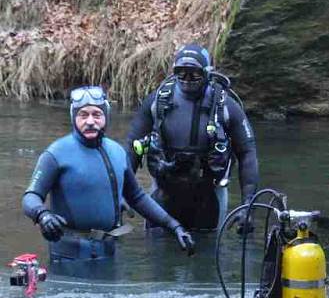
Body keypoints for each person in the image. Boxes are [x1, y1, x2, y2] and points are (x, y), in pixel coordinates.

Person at [22, 86, 195, 260]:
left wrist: (174, 226)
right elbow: (30, 197)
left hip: (108, 252)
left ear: (106, 116)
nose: (90, 121)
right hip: (68, 255)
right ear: (73, 117)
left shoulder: (117, 152)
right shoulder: (56, 154)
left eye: (97, 115)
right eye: (83, 115)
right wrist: (43, 215)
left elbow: (137, 197)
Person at [126, 44, 259, 232]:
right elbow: (132, 147)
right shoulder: (157, 102)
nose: (187, 79)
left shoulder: (225, 107)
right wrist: (122, 194)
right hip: (164, 193)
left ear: (207, 73)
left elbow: (247, 153)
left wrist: (247, 205)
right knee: (157, 254)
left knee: (208, 254)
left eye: (194, 73)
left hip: (209, 195)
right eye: (180, 73)